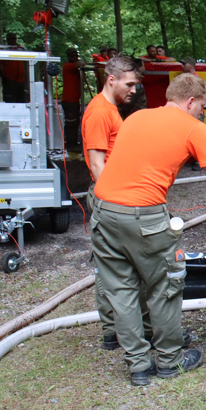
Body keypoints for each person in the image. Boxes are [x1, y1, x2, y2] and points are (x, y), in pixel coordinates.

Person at [91, 74, 206, 386]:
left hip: (103, 210)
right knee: (165, 284)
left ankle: (138, 365)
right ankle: (170, 360)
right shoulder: (195, 128)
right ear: (190, 101)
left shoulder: (135, 117)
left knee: (121, 289)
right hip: (143, 215)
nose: (203, 111)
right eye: (202, 105)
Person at [81, 54, 140, 351]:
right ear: (111, 79)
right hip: (108, 196)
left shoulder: (112, 109)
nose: (134, 90)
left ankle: (116, 329)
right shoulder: (98, 112)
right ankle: (112, 331)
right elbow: (95, 163)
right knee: (110, 265)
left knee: (117, 263)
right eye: (129, 84)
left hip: (114, 193)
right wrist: (113, 199)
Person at [0, 33, 28, 102]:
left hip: (21, 81)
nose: (12, 40)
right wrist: (3, 76)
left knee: (22, 101)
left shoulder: (19, 49)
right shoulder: (4, 50)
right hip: (10, 81)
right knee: (10, 101)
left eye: (14, 39)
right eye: (10, 39)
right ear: (7, 40)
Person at [61, 48, 84, 151]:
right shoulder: (67, 66)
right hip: (69, 101)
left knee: (75, 122)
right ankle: (70, 145)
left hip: (74, 100)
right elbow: (80, 64)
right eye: (72, 56)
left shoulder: (74, 68)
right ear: (68, 57)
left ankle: (73, 143)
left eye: (76, 56)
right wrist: (80, 62)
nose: (74, 58)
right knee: (71, 123)